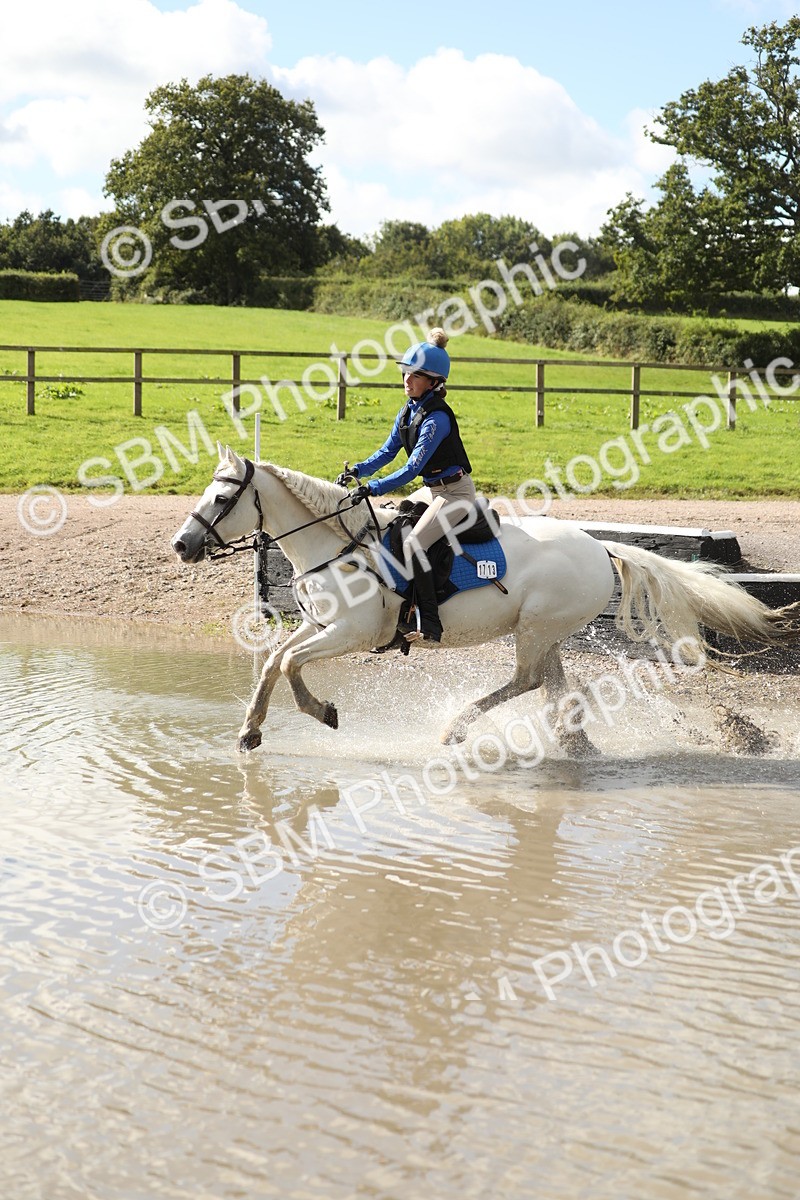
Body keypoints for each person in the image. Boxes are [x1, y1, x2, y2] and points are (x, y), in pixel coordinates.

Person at [335, 328, 476, 643]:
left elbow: (411, 468)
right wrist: (358, 470)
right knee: (395, 523)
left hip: (455, 493)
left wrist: (372, 488)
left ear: (434, 382)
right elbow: (387, 452)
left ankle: (430, 622)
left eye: (416, 375)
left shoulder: (436, 419)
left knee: (414, 544)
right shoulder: (408, 411)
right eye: (406, 372)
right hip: (433, 489)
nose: (407, 379)